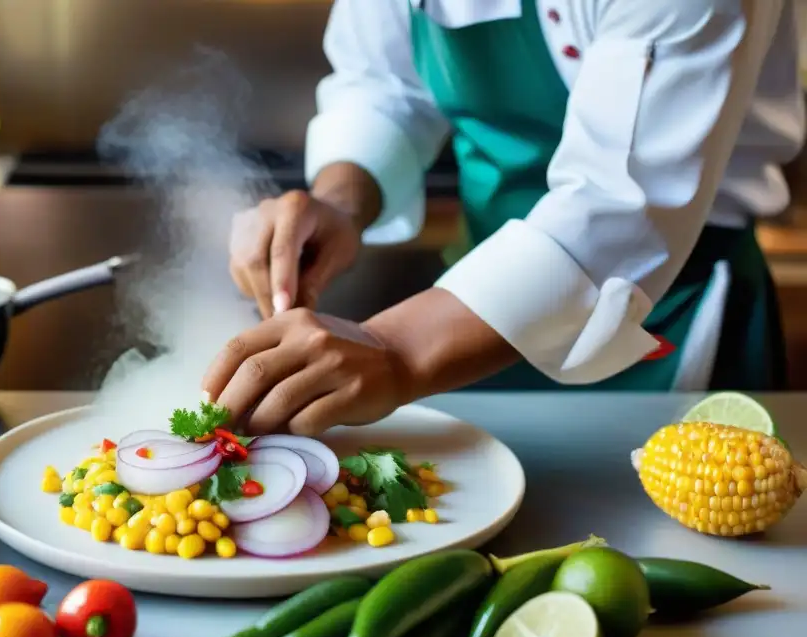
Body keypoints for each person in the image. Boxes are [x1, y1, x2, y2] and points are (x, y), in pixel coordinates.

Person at [205, 0, 806, 436]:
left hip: (666, 310)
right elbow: (383, 85)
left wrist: (394, 348)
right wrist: (339, 201)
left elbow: (616, 208)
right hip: (465, 310)